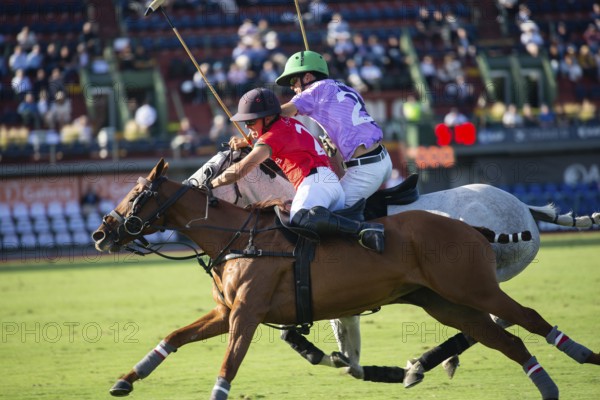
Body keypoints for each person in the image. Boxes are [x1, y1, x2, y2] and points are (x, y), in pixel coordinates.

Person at [275, 50, 393, 371]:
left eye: (295, 83)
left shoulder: (313, 91)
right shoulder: (341, 88)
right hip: (377, 160)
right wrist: (331, 146)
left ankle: (354, 268)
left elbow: (282, 113)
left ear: (308, 77)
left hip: (366, 168)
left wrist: (253, 118)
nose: (294, 90)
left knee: (323, 216)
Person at [212, 87, 384, 253]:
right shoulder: (289, 122)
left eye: (250, 121)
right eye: (245, 123)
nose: (247, 127)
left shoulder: (272, 137)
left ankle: (364, 228)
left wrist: (212, 184)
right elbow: (269, 136)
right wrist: (248, 140)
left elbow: (241, 169)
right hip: (329, 186)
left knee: (300, 218)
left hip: (316, 184)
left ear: (268, 117)